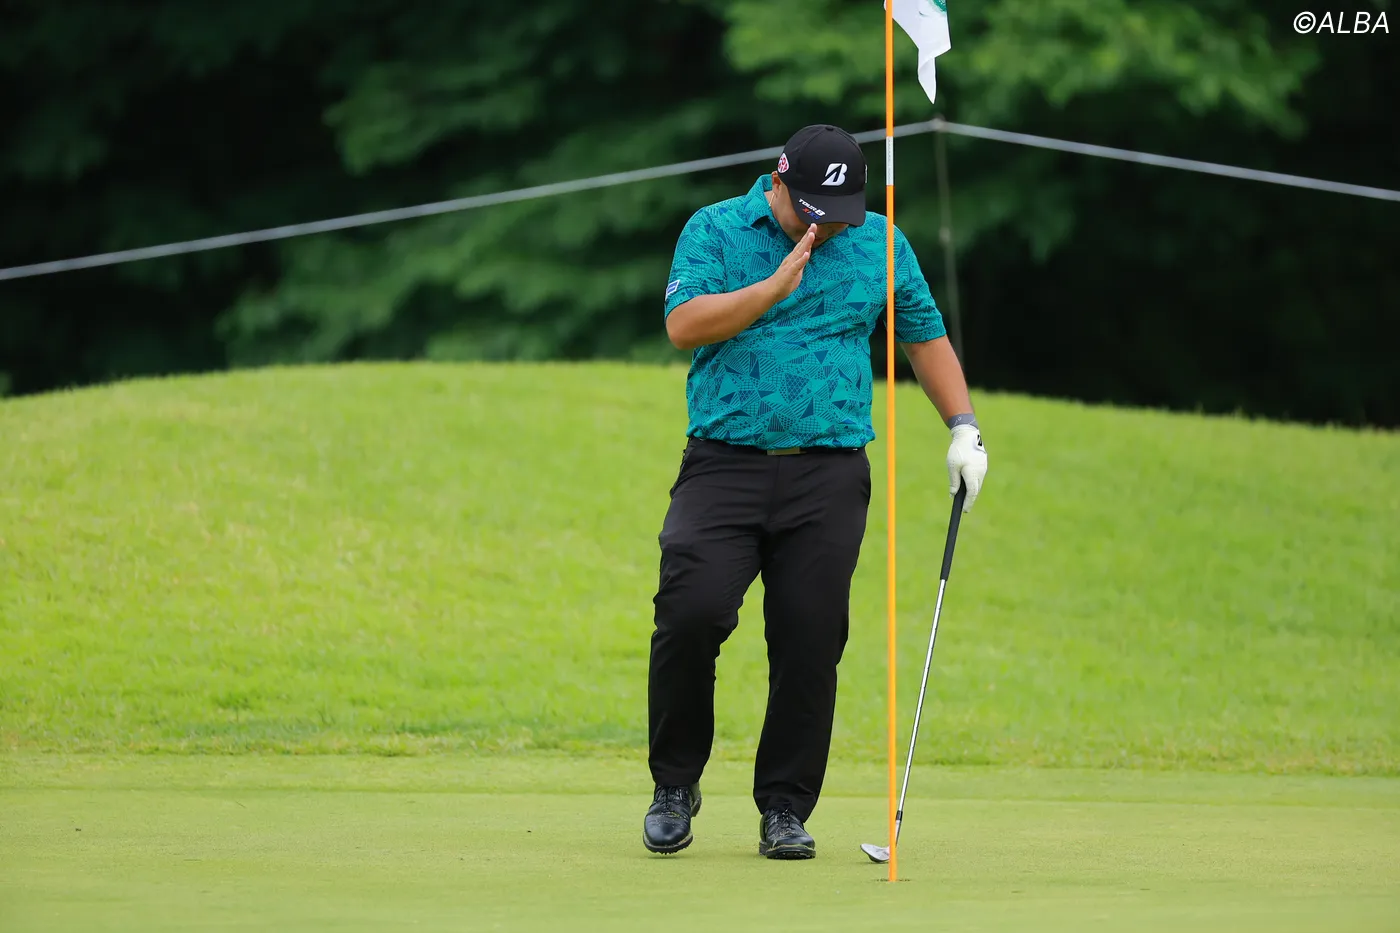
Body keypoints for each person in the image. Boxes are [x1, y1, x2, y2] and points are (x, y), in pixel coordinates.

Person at [642, 124, 988, 860]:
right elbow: (683, 325)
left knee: (811, 637)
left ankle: (785, 806)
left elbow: (924, 335)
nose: (825, 225)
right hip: (724, 463)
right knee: (690, 613)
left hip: (828, 473)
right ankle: (675, 784)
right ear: (779, 180)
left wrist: (963, 427)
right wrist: (772, 288)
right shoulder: (717, 229)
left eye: (839, 212)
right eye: (812, 210)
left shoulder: (880, 243)